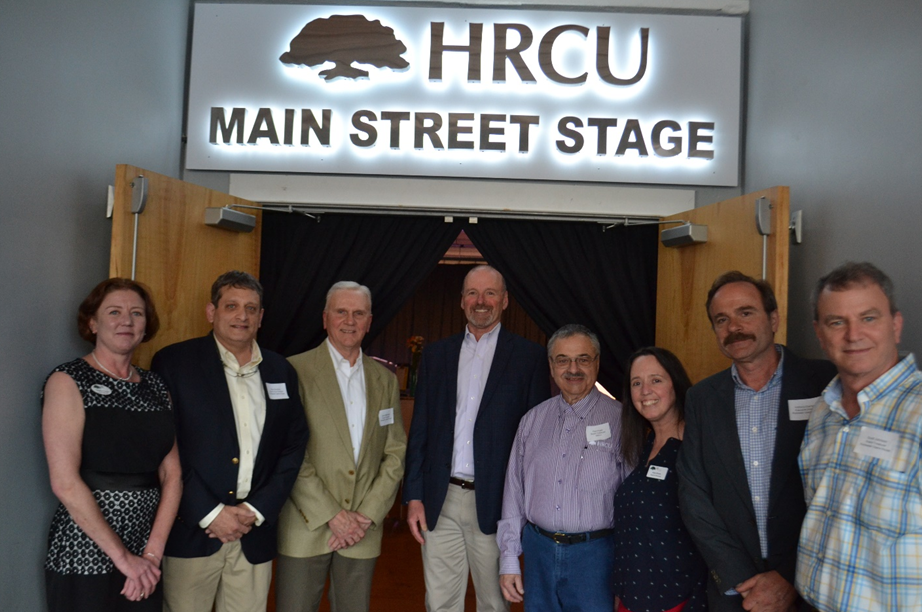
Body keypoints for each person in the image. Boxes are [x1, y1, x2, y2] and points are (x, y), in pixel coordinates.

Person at [676, 271, 836, 612]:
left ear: (773, 318)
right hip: (736, 592)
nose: (734, 327)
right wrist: (742, 578)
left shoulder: (825, 382)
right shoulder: (702, 398)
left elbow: (841, 491)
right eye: (722, 319)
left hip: (811, 587)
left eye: (745, 313)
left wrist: (788, 576)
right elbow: (694, 496)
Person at [150, 271, 308, 612]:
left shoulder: (281, 370)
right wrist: (210, 512)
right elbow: (163, 445)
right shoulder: (174, 363)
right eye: (232, 306)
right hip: (193, 531)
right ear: (211, 312)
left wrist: (256, 509)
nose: (242, 316)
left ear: (262, 316)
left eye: (252, 308)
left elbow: (294, 447)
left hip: (254, 534)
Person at [404, 264, 550, 612]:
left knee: (494, 603)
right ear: (461, 301)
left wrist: (525, 510)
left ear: (505, 301)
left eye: (489, 293)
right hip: (440, 500)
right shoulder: (437, 355)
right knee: (439, 603)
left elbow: (536, 441)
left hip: (498, 504)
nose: (480, 301)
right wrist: (413, 496)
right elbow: (420, 429)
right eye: (472, 293)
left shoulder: (528, 357)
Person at [42, 278, 181, 611]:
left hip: (147, 550)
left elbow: (172, 476)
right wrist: (124, 559)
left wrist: (150, 557)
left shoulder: (156, 386)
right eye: (114, 311)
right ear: (93, 322)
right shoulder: (68, 380)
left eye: (137, 313)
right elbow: (64, 482)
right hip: (85, 548)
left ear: (146, 325)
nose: (126, 321)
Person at [798, 262, 922, 610]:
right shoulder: (823, 412)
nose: (853, 335)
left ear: (895, 325)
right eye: (837, 322)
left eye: (869, 318)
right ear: (820, 334)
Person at [276, 281, 407, 612]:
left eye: (358, 313)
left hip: (362, 529)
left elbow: (394, 453)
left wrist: (366, 515)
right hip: (307, 523)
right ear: (325, 318)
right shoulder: (294, 370)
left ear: (369, 321)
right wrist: (333, 515)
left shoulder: (385, 379)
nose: (350, 321)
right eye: (341, 312)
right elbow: (288, 451)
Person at [497, 324, 625, 612]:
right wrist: (508, 560)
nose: (573, 369)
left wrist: (627, 571)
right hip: (538, 553)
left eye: (583, 359)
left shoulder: (622, 421)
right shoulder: (531, 421)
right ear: (552, 367)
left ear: (597, 364)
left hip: (597, 559)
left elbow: (633, 504)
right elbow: (514, 494)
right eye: (563, 360)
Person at [613, 347, 707, 612]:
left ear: (675, 384)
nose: (645, 391)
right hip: (632, 598)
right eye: (636, 383)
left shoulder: (697, 447)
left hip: (677, 600)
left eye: (656, 380)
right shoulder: (646, 446)